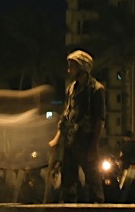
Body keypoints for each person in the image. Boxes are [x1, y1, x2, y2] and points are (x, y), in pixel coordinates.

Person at [45, 50, 105, 203]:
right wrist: (57, 139)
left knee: (93, 183)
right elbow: (66, 116)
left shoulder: (96, 90)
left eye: (72, 66)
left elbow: (99, 120)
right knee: (68, 183)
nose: (69, 70)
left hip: (86, 141)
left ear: (82, 67)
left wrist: (93, 146)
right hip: (71, 142)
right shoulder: (71, 89)